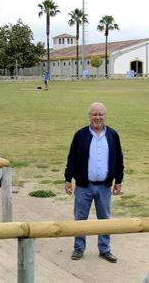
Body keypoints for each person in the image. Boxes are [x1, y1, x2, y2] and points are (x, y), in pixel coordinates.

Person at [64, 102, 124, 263]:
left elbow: (118, 159)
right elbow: (72, 158)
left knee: (104, 219)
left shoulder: (112, 135)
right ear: (89, 116)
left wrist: (118, 181)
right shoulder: (80, 135)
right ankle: (78, 248)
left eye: (100, 114)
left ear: (105, 115)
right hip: (83, 186)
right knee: (80, 218)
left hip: (104, 186)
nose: (97, 117)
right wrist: (68, 179)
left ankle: (104, 249)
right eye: (94, 114)